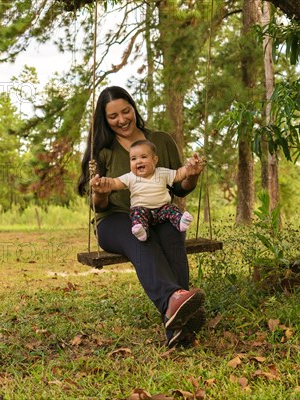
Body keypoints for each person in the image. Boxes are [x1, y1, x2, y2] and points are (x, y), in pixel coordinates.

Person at [77, 86, 206, 348]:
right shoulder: (102, 151)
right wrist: (100, 192)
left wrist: (191, 175)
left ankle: (177, 325)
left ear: (134, 109)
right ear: (104, 119)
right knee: (138, 235)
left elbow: (178, 187)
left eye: (126, 111)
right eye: (113, 116)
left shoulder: (161, 141)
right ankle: (175, 300)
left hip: (158, 213)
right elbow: (99, 207)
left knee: (172, 232)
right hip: (115, 220)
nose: (122, 119)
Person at [92, 139, 205, 242]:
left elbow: (179, 173)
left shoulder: (162, 173)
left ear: (154, 160)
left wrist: (190, 167)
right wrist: (101, 182)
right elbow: (114, 182)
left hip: (162, 210)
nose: (139, 161)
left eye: (144, 157)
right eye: (133, 159)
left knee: (172, 209)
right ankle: (141, 231)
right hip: (142, 210)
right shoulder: (130, 177)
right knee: (137, 214)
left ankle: (181, 222)